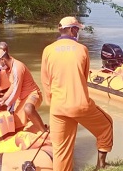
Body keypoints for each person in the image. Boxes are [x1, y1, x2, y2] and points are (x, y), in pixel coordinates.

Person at [41, 16, 113, 170]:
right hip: (80, 105)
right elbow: (84, 77)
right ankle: (101, 165)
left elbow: (46, 82)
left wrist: (52, 104)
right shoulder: (82, 49)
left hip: (57, 108)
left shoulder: (48, 50)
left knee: (61, 150)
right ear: (73, 30)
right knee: (107, 125)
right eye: (77, 29)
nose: (78, 32)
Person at [0, 42, 46, 132]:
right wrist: (3, 98)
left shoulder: (17, 68)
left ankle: (44, 131)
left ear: (2, 59)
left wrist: (5, 104)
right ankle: (33, 128)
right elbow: (13, 85)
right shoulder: (8, 68)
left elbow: (16, 91)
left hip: (33, 94)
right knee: (16, 125)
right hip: (21, 98)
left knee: (28, 109)